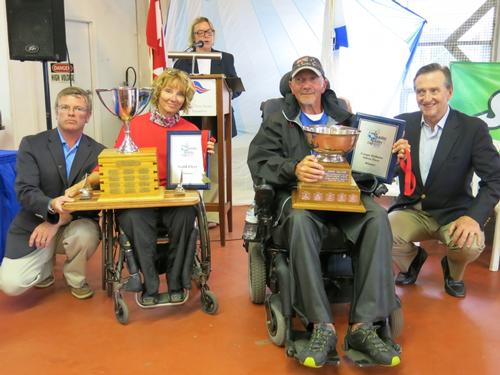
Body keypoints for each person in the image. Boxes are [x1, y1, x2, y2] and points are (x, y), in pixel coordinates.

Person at [247, 56, 403, 368]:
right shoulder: (278, 120)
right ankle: (321, 326)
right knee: (301, 220)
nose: (306, 85)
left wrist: (393, 156)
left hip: (344, 197)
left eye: (312, 79)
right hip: (299, 198)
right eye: (300, 79)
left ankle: (364, 327)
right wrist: (294, 167)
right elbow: (260, 162)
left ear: (323, 84)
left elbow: (369, 167)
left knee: (376, 218)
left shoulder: (348, 120)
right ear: (291, 86)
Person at [69, 68, 214, 306]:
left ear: (185, 100)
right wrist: (79, 186)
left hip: (173, 197)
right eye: (168, 90)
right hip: (140, 196)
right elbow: (110, 166)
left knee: (187, 215)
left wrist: (203, 156)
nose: (172, 98)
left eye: (179, 94)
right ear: (158, 93)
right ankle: (150, 282)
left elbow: (195, 174)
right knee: (133, 218)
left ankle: (177, 280)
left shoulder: (190, 131)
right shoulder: (134, 126)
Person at [390, 63, 500, 298]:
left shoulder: (472, 128)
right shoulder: (401, 124)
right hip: (412, 209)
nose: (426, 98)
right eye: (421, 91)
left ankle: (453, 272)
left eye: (434, 90)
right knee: (380, 231)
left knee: (470, 243)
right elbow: (382, 174)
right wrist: (391, 160)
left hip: (454, 213)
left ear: (449, 92)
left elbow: (495, 178)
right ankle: (412, 262)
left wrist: (474, 218)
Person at [0, 87, 104, 300]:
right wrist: (50, 208)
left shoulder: (100, 152)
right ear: (57, 112)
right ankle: (44, 268)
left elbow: (97, 199)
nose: (71, 113)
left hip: (76, 222)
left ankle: (75, 278)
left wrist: (56, 221)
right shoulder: (31, 144)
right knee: (11, 285)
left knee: (84, 235)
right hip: (34, 222)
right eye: (65, 107)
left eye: (78, 108)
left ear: (88, 116)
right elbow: (25, 190)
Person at [174, 16, 242, 227]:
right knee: (190, 167)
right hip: (191, 121)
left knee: (214, 171)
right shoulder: (182, 60)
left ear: (213, 34)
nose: (205, 36)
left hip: (218, 121)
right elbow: (177, 89)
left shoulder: (225, 58)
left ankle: (211, 214)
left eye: (208, 32)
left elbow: (234, 89)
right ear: (193, 38)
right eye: (200, 33)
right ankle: (189, 212)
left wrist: (220, 94)